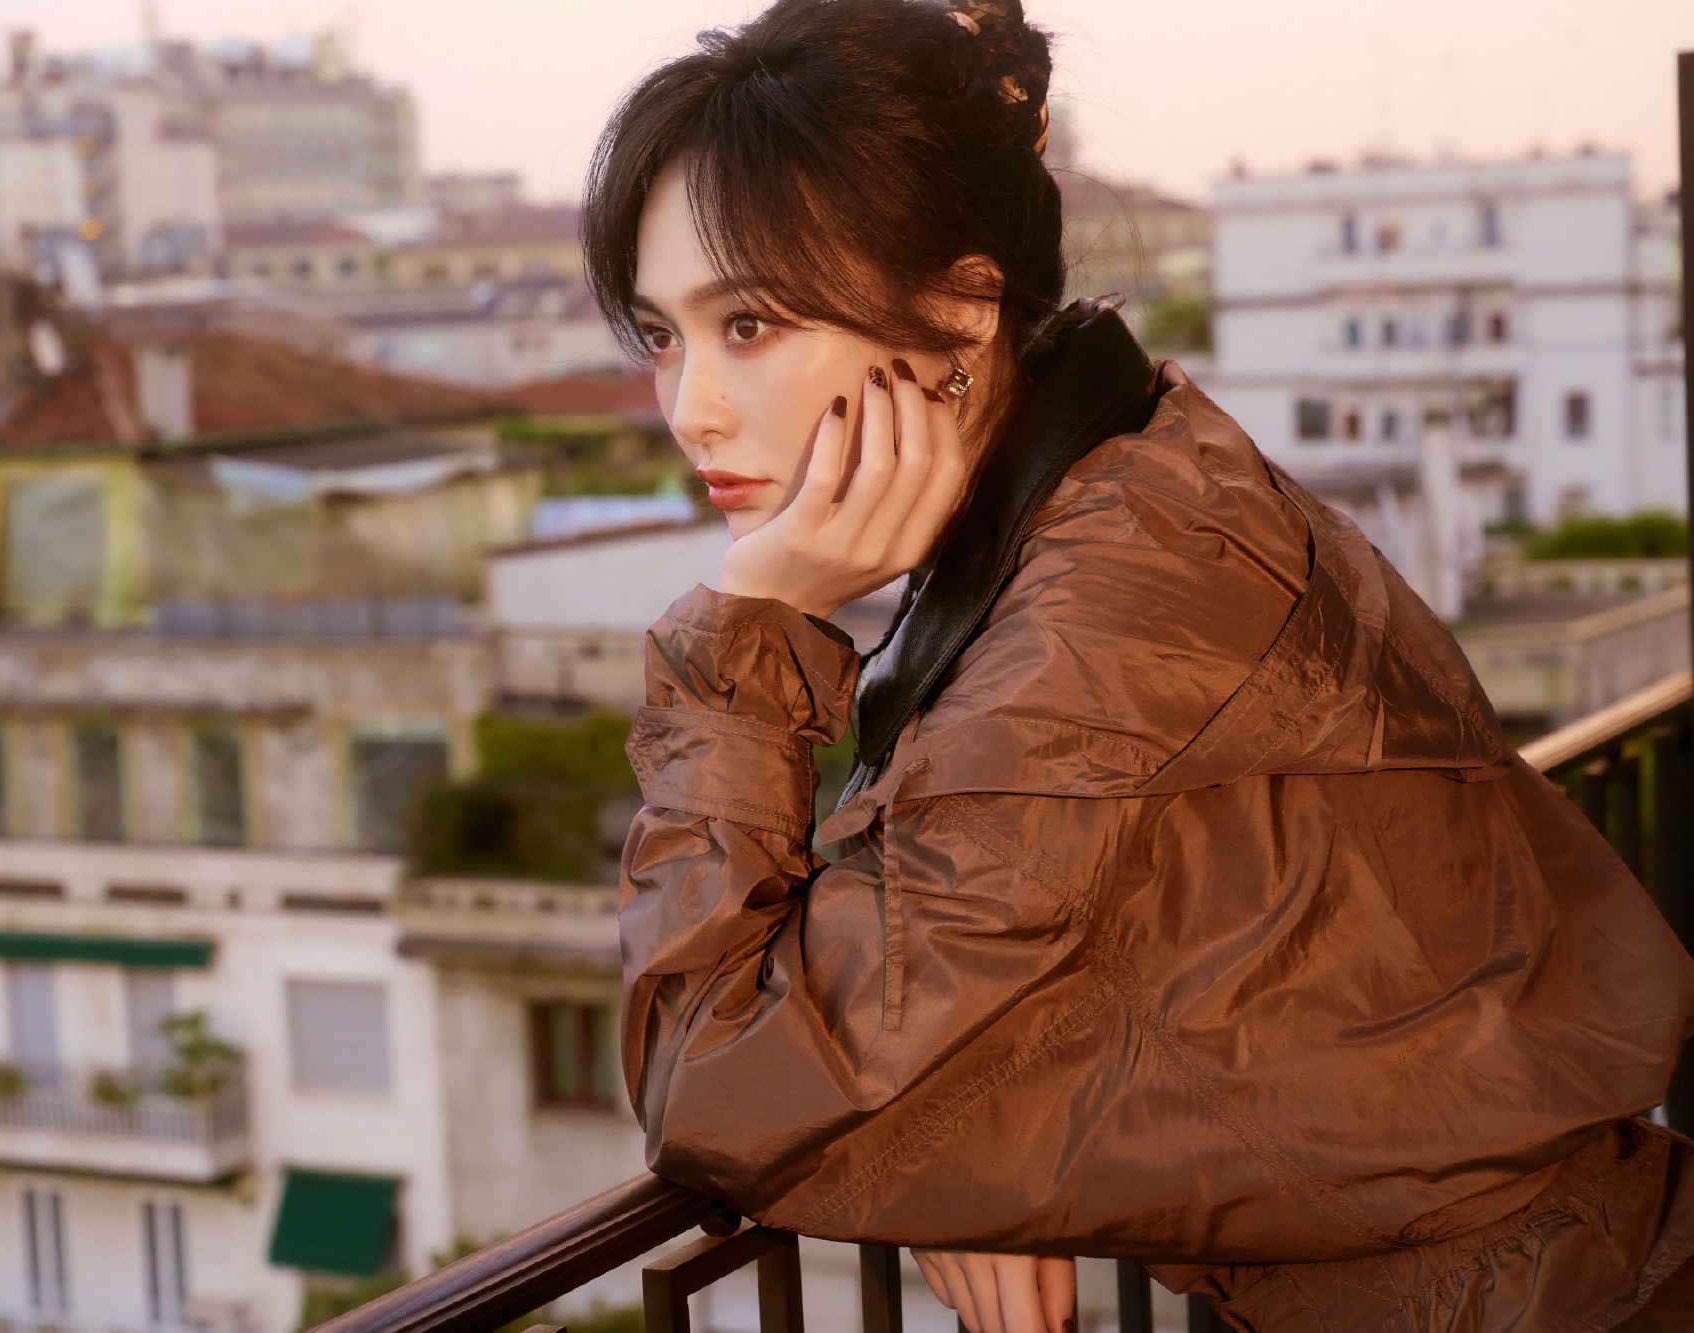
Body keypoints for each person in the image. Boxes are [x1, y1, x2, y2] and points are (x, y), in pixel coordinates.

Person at [585, 1, 1694, 1329]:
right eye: (662, 335)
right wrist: (953, 1142)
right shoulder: (1136, 474)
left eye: (751, 324)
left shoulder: (1104, 623)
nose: (693, 408)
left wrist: (751, 624)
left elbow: (712, 1080)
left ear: (960, 307)